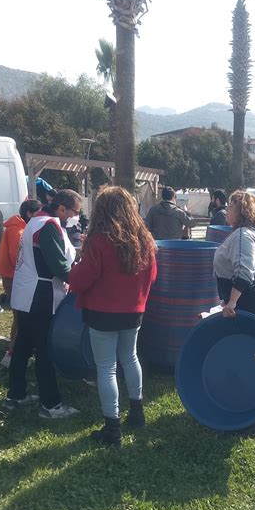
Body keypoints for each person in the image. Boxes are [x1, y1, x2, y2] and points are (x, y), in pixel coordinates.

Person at [69, 186, 157, 447]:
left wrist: (74, 268)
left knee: (106, 368)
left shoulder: (99, 240)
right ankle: (137, 412)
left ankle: (112, 428)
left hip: (103, 312)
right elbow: (152, 275)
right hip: (134, 311)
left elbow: (81, 278)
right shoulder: (144, 239)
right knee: (130, 358)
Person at [5, 189, 82, 417]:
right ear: (61, 208)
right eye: (74, 212)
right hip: (41, 294)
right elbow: (58, 265)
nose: (74, 217)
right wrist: (79, 279)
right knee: (44, 349)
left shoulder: (36, 220)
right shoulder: (48, 225)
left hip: (26, 292)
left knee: (23, 345)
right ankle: (51, 405)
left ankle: (16, 394)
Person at [213, 191, 255, 320]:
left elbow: (244, 272)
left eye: (231, 206)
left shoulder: (243, 235)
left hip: (249, 300)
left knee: (238, 338)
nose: (227, 209)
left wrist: (232, 302)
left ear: (242, 212)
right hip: (251, 297)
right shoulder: (249, 232)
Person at [0, 199, 42, 367]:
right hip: (14, 277)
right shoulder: (18, 229)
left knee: (20, 316)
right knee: (20, 317)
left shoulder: (19, 227)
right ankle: (12, 355)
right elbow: (18, 257)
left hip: (13, 276)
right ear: (29, 214)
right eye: (39, 213)